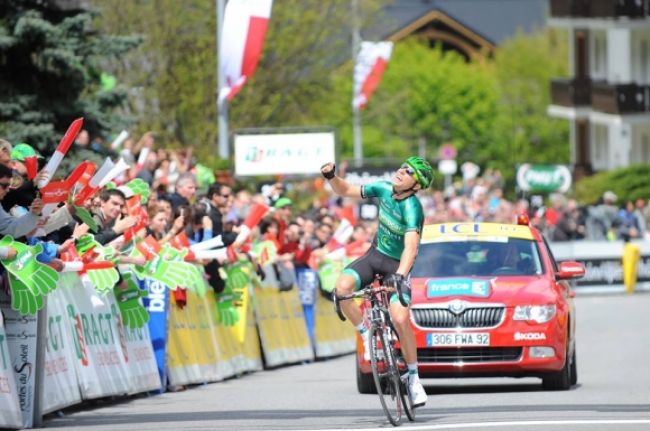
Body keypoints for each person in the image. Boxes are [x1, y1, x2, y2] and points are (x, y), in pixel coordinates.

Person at [320, 156, 433, 408]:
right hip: (374, 256)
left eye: (409, 172)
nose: (401, 172)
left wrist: (401, 276)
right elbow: (346, 189)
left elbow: (411, 248)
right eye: (403, 167)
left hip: (397, 266)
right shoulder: (383, 188)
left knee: (401, 318)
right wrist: (331, 177)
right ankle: (365, 333)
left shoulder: (412, 208)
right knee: (342, 289)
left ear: (416, 185)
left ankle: (414, 379)